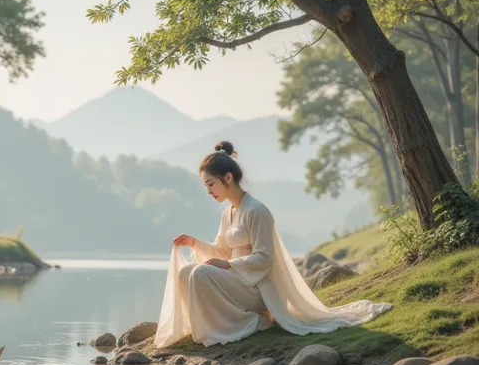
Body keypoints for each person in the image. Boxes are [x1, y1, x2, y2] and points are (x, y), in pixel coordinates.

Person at [154, 140, 392, 349]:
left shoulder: (257, 211)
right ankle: (212, 326)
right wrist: (194, 243)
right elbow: (221, 251)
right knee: (186, 272)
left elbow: (264, 258)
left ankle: (252, 321)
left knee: (201, 273)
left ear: (228, 178)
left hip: (258, 288)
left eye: (211, 184)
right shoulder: (228, 213)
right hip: (238, 282)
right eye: (205, 186)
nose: (208, 191)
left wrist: (227, 266)